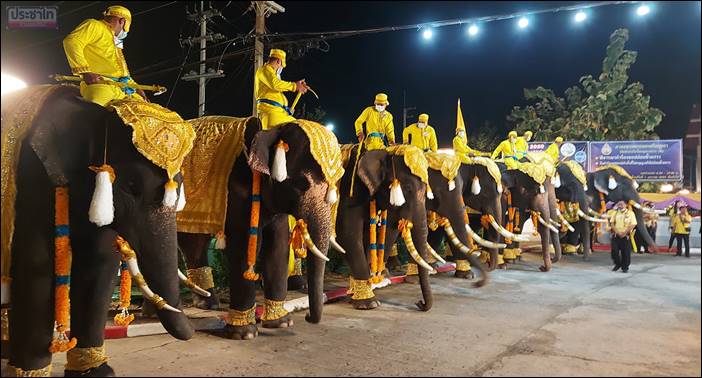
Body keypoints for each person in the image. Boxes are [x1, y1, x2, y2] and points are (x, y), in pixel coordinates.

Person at [63, 5, 150, 106]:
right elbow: (72, 41)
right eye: (125, 29)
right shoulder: (94, 25)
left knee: (152, 112)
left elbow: (122, 74)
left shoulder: (116, 43)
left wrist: (137, 88)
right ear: (122, 21)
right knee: (95, 112)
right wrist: (85, 72)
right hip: (101, 85)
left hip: (123, 90)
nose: (125, 32)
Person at [254, 49, 308, 130]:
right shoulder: (264, 70)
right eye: (281, 66)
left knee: (300, 128)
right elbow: (275, 84)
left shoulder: (270, 75)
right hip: (271, 114)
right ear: (279, 61)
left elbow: (276, 89)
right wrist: (295, 86)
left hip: (277, 114)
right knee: (298, 128)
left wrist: (286, 110)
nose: (281, 68)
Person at [607, 200, 637, 273]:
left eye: (622, 204)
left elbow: (633, 224)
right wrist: (617, 232)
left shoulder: (631, 213)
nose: (620, 205)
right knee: (614, 251)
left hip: (626, 235)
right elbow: (612, 223)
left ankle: (625, 267)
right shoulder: (615, 213)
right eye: (619, 204)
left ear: (626, 205)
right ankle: (617, 264)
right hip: (616, 235)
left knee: (626, 252)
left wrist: (625, 232)